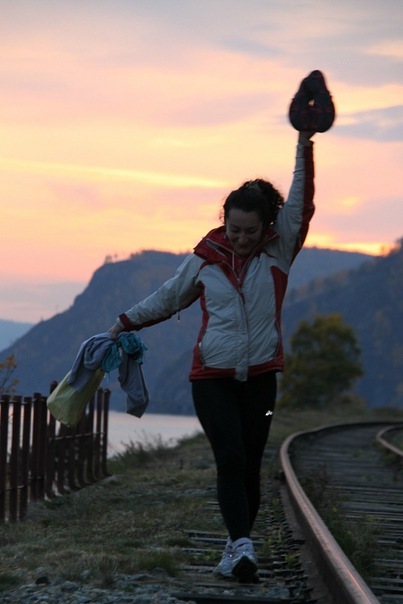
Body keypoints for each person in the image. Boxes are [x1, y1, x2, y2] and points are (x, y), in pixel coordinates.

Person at [108, 126, 316, 583]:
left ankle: (235, 547)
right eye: (234, 229)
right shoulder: (204, 259)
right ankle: (242, 546)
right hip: (211, 378)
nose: (240, 238)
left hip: (260, 376)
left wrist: (304, 141)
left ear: (267, 227)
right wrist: (124, 322)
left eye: (250, 231)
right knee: (231, 458)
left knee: (251, 464)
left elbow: (301, 204)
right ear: (224, 221)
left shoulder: (279, 252)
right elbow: (168, 298)